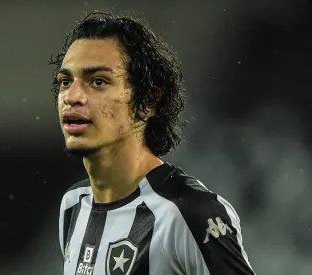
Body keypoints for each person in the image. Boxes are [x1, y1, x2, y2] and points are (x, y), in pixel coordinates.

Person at [50, 12, 255, 275]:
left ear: (148, 101)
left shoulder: (188, 213)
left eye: (98, 81)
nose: (72, 96)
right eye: (65, 82)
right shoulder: (73, 206)